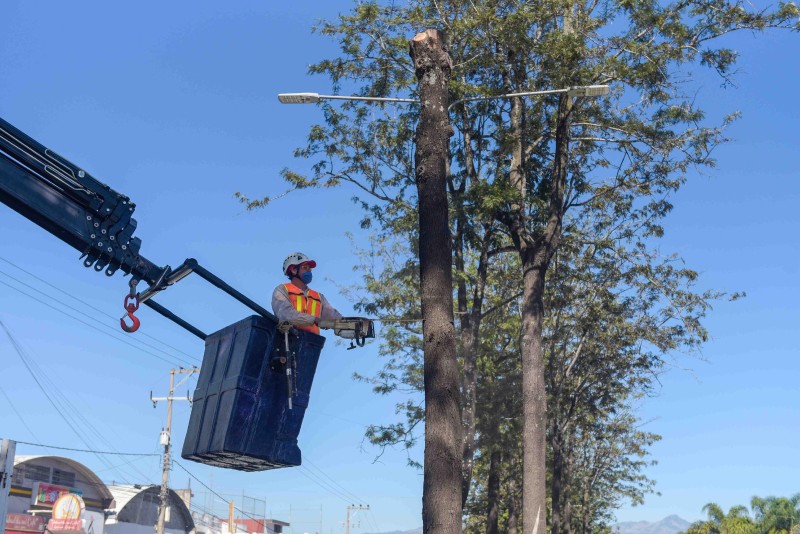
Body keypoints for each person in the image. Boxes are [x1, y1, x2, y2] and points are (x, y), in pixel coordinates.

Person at [272, 252, 343, 334]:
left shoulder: (318, 297)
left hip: (312, 343)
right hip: (288, 341)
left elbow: (333, 316)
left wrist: (351, 326)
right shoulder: (282, 290)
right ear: (294, 270)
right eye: (305, 268)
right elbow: (285, 314)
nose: (309, 271)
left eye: (310, 269)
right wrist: (313, 319)